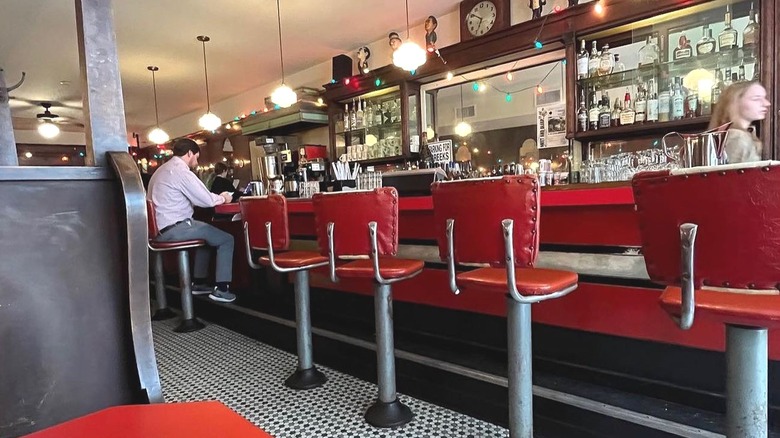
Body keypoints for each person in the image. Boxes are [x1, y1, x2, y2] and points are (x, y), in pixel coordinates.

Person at [146, 138, 237, 303]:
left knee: (209, 236)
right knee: (226, 239)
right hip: (175, 228)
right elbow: (207, 200)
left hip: (159, 230)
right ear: (189, 153)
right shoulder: (181, 171)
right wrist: (224, 198)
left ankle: (199, 283)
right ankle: (222, 289)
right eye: (196, 157)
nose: (197, 161)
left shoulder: (161, 170)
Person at [709, 81, 771, 163]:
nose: (767, 103)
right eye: (756, 99)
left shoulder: (734, 135)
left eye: (764, 98)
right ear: (735, 102)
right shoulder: (738, 137)